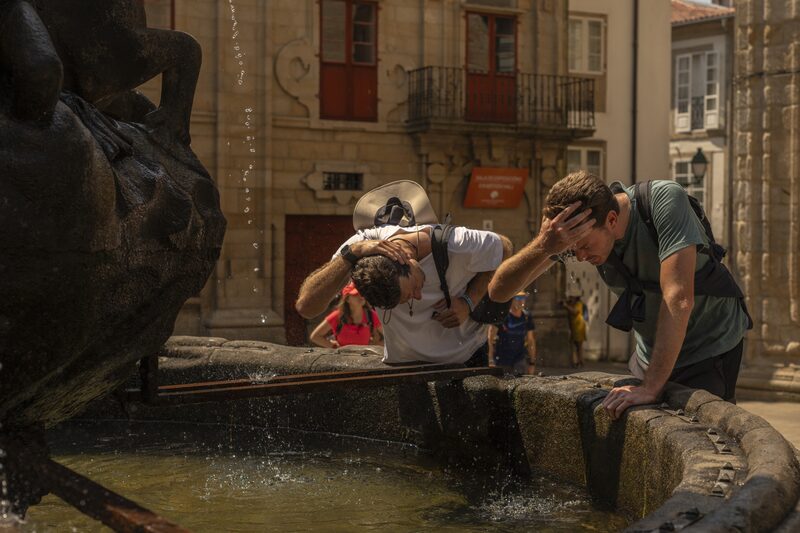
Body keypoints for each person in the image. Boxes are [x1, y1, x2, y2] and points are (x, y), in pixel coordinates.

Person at [489, 170, 751, 419]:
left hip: (710, 345)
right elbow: (498, 292)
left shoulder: (664, 200)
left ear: (612, 220)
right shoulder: (580, 231)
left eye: (583, 246)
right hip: (652, 353)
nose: (579, 257)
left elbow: (678, 298)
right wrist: (544, 246)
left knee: (704, 433)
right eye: (571, 250)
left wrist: (650, 387)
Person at [295, 180, 512, 366]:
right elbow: (306, 307)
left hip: (465, 359)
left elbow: (504, 247)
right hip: (402, 367)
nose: (418, 297)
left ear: (406, 260)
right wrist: (352, 253)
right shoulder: (363, 245)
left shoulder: (457, 243)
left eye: (413, 289)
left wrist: (468, 301)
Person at [309, 282, 383, 348]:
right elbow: (315, 337)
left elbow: (390, 335)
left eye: (362, 293)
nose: (361, 296)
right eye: (356, 294)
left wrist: (376, 346)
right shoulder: (337, 316)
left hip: (365, 359)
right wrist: (333, 346)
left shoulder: (371, 315)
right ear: (347, 299)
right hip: (343, 359)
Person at [487, 291, 536, 374]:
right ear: (511, 300)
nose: (521, 301)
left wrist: (532, 362)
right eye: (518, 298)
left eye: (523, 298)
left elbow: (530, 341)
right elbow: (490, 339)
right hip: (501, 361)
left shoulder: (527, 317)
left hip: (519, 360)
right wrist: (490, 360)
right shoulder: (502, 316)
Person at [561, 294, 587, 368]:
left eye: (571, 298)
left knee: (578, 345)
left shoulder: (579, 304)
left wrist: (566, 306)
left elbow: (575, 311)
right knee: (576, 345)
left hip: (579, 326)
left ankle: (579, 361)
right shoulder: (572, 304)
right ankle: (579, 361)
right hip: (574, 327)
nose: (570, 299)